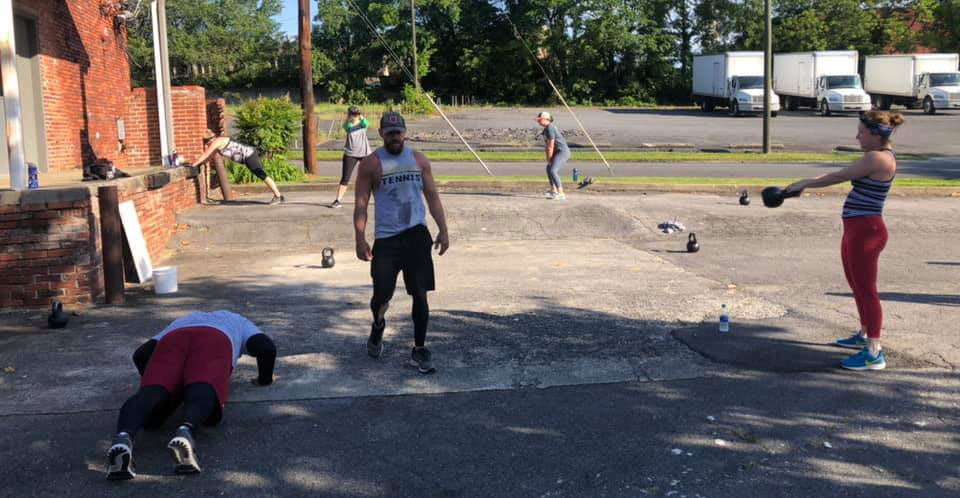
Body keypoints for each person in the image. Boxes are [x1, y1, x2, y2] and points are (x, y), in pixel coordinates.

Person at [785, 111, 904, 371]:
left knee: (867, 290)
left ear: (875, 135)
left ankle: (874, 352)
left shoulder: (877, 158)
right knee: (856, 284)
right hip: (856, 229)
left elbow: (838, 176)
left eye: (861, 132)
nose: (857, 136)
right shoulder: (877, 155)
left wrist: (804, 183)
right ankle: (864, 333)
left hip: (867, 232)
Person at [105, 311, 277, 480]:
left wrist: (164, 387)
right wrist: (264, 380)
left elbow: (141, 354)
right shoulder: (239, 321)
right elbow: (266, 348)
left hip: (173, 339)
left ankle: (123, 438)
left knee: (151, 397)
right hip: (215, 340)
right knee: (205, 394)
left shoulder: (185, 319)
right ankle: (185, 431)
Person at [353, 111, 450, 374]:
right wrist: (360, 239)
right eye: (389, 132)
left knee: (420, 294)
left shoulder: (419, 160)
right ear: (382, 134)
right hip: (387, 240)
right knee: (382, 296)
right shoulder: (371, 164)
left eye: (398, 132)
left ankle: (419, 349)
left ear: (405, 133)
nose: (395, 136)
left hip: (417, 235)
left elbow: (432, 196)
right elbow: (361, 204)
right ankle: (378, 325)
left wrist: (443, 229)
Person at [194, 130, 285, 204]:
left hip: (249, 155)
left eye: (206, 143)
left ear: (210, 139)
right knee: (262, 175)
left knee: (262, 175)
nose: (207, 145)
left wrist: (193, 165)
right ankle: (278, 196)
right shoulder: (217, 145)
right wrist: (200, 164)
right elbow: (208, 157)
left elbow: (205, 154)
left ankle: (278, 196)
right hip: (248, 157)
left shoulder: (217, 141)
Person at [330, 106, 372, 208]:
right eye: (352, 115)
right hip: (350, 154)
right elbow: (347, 126)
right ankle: (337, 200)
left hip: (364, 153)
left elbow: (366, 124)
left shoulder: (363, 124)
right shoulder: (347, 125)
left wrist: (361, 117)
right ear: (349, 115)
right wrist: (349, 119)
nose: (355, 117)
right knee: (345, 178)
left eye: (356, 114)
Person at [535, 111, 571, 200]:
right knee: (549, 169)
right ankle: (553, 191)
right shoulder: (546, 129)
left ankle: (561, 193)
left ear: (546, 119)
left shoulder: (550, 128)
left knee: (553, 170)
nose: (538, 121)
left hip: (562, 152)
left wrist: (549, 158)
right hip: (557, 152)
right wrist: (549, 159)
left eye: (540, 120)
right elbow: (549, 146)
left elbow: (550, 146)